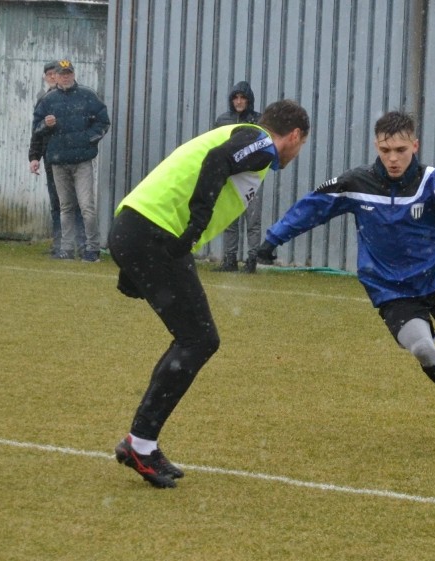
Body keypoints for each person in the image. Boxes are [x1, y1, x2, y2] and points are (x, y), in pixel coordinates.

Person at [256, 111, 435, 438]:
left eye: (400, 150)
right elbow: (311, 207)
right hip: (392, 292)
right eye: (386, 150)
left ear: (414, 146)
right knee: (423, 349)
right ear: (376, 146)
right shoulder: (355, 183)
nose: (393, 158)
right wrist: (273, 239)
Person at [109, 99, 310, 488]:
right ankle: (140, 442)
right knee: (199, 339)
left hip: (138, 226)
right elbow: (217, 162)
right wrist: (195, 227)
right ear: (296, 136)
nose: (295, 153)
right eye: (299, 146)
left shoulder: (243, 137)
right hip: (155, 231)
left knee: (194, 338)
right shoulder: (263, 144)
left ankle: (142, 441)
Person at [32, 59, 110, 262]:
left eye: (68, 73)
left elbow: (103, 121)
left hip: (82, 160)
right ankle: (66, 249)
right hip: (57, 161)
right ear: (54, 76)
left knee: (86, 206)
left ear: (73, 74)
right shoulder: (48, 100)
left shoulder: (87, 95)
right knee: (65, 207)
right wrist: (45, 125)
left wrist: (88, 139)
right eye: (61, 73)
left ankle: (92, 249)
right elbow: (36, 128)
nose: (65, 77)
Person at [28, 60, 85, 256]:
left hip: (73, 156)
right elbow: (36, 131)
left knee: (77, 202)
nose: (53, 77)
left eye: (56, 74)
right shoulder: (44, 100)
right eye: (49, 74)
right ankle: (59, 243)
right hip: (51, 157)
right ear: (45, 77)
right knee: (57, 202)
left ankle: (81, 244)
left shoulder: (76, 96)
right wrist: (34, 156)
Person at [213, 81, 264, 273]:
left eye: (243, 97)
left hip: (251, 177)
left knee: (253, 220)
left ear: (249, 99)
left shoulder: (258, 120)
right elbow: (215, 146)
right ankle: (230, 259)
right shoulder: (222, 120)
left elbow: (265, 146)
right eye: (236, 97)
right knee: (229, 219)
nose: (239, 101)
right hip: (230, 177)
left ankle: (252, 260)